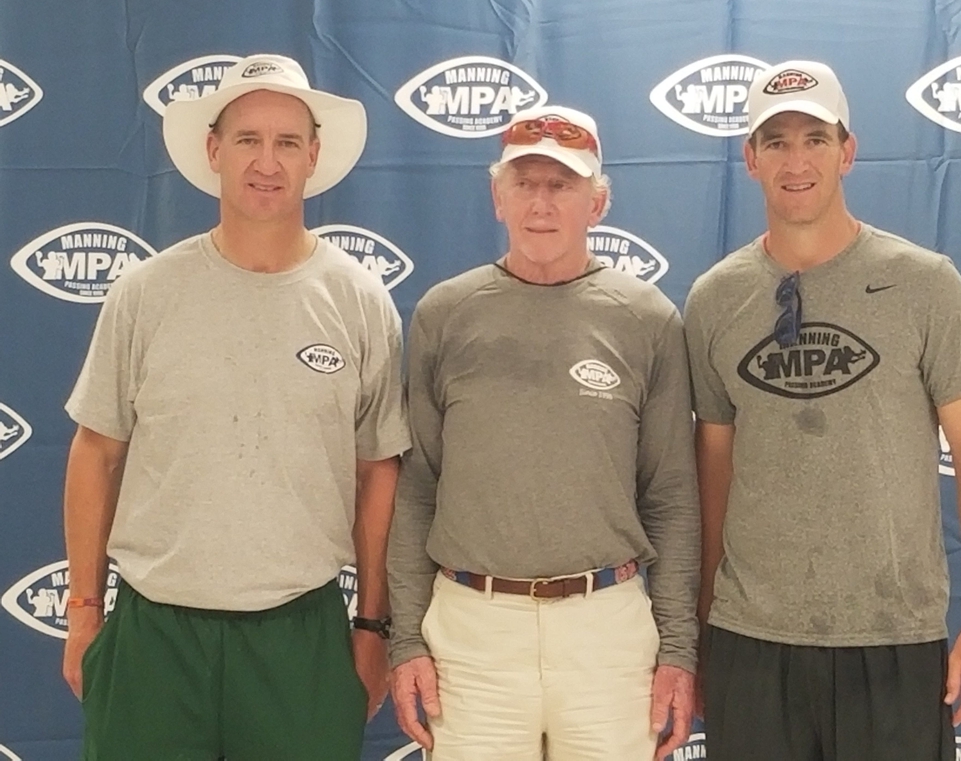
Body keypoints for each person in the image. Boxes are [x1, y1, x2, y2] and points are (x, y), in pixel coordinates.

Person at [61, 54, 410, 760]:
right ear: (214, 151)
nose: (267, 161)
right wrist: (84, 609)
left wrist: (371, 626)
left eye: (287, 141)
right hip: (154, 634)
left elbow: (380, 470)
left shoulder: (358, 298)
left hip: (301, 635)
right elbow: (96, 453)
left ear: (313, 156)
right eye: (248, 138)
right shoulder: (146, 291)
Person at [684, 60, 961, 760]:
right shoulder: (714, 298)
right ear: (749, 158)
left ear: (847, 151)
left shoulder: (926, 284)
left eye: (814, 137)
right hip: (752, 641)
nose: (795, 159)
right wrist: (705, 628)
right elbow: (714, 473)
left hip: (892, 637)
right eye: (774, 141)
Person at [387, 105, 700, 760]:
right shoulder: (445, 313)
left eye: (562, 184)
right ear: (497, 196)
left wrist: (676, 648)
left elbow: (670, 497)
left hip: (607, 630)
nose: (541, 202)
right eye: (524, 182)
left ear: (599, 200)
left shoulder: (647, 320)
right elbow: (418, 489)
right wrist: (407, 641)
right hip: (471, 632)